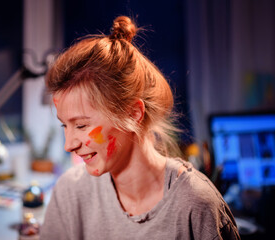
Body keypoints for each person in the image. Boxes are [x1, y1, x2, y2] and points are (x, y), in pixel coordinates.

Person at [40, 16, 240, 240]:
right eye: (64, 125)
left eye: (81, 125)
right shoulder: (70, 193)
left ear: (133, 114)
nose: (69, 145)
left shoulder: (196, 205)